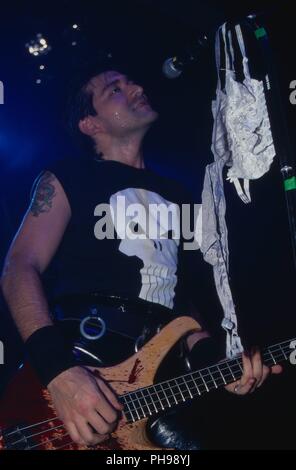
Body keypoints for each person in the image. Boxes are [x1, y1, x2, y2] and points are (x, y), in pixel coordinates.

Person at [0, 59, 282, 449]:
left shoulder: (187, 196)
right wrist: (57, 372)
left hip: (158, 384)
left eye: (131, 81)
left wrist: (218, 366)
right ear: (91, 123)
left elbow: (186, 313)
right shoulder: (68, 177)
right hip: (82, 356)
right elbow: (19, 267)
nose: (135, 88)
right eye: (115, 88)